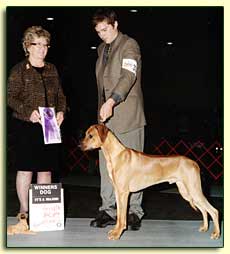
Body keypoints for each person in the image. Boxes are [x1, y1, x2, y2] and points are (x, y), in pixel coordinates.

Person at [91, 8, 146, 230]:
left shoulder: (130, 45)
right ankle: (108, 209)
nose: (101, 34)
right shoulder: (101, 49)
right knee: (107, 166)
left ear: (115, 25)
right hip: (106, 118)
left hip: (127, 115)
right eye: (98, 31)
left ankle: (134, 212)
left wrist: (112, 100)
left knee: (133, 167)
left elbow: (128, 76)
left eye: (105, 29)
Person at [7, 26, 66, 219]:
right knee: (25, 169)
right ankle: (24, 209)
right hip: (25, 126)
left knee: (46, 169)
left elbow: (60, 96)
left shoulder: (52, 69)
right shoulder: (18, 70)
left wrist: (61, 112)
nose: (42, 48)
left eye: (45, 44)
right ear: (27, 46)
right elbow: (9, 97)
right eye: (37, 44)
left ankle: (44, 212)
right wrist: (27, 112)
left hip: (49, 125)